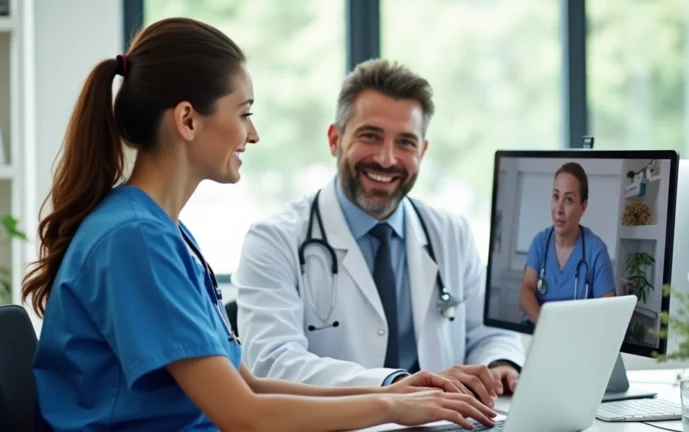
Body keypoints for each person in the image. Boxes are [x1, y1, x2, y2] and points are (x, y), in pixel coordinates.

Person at [22, 18, 499, 432]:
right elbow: (243, 416)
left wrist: (408, 395)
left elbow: (247, 383)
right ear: (188, 120)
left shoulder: (160, 231)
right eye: (244, 113)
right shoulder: (133, 239)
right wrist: (392, 405)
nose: (253, 133)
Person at [232, 58, 526, 408]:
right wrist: (397, 385)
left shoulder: (451, 233)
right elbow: (272, 364)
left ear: (423, 151)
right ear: (334, 139)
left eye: (405, 143)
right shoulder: (274, 241)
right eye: (370, 136)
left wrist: (499, 364)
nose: (387, 159)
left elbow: (489, 332)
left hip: (445, 423)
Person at [519, 162, 616, 325]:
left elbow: (610, 312)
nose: (559, 209)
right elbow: (526, 291)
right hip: (536, 331)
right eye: (556, 197)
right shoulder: (540, 242)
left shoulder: (596, 251)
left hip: (576, 339)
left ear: (583, 207)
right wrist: (547, 327)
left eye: (569, 200)